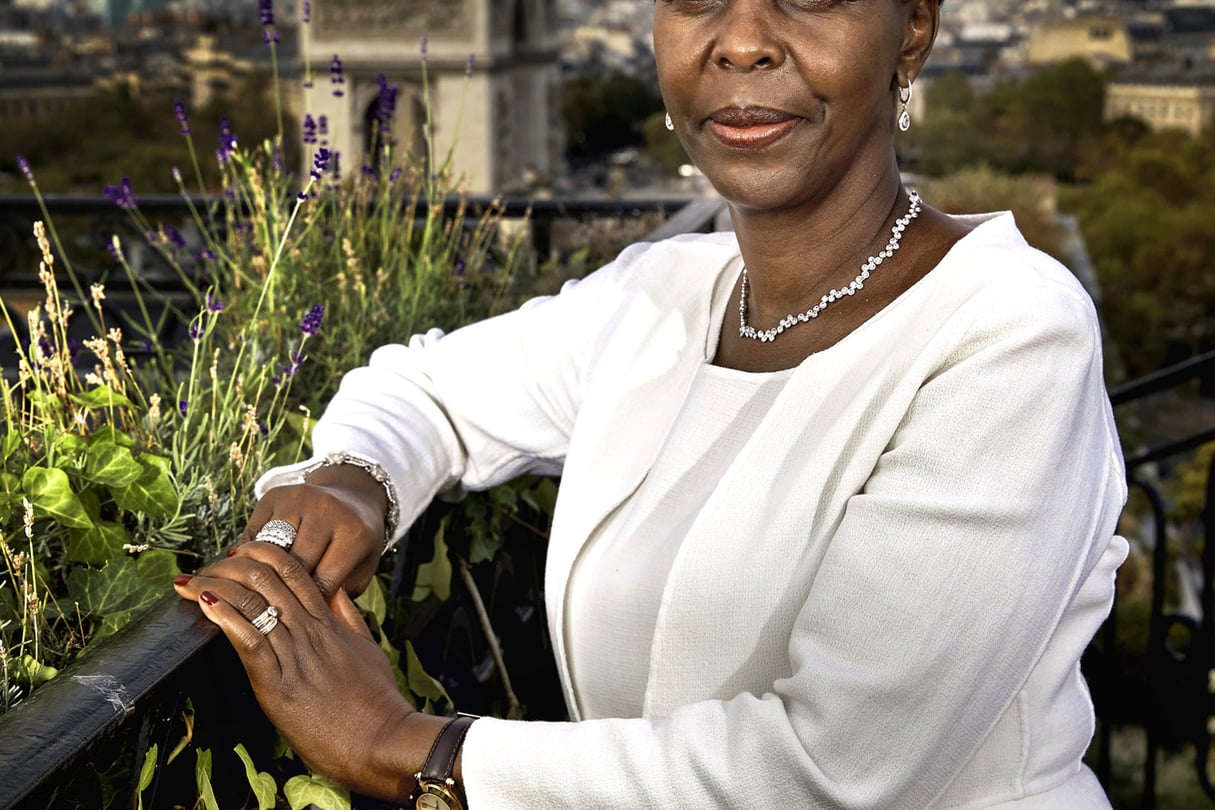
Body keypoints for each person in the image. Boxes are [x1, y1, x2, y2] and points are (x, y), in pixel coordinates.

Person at [173, 0, 1129, 806]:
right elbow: (423, 390)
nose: (741, 40)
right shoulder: (667, 290)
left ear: (910, 30)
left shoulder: (1011, 332)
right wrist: (353, 483)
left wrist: (405, 746)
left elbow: (835, 769)